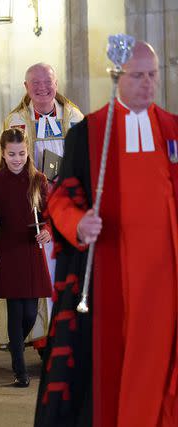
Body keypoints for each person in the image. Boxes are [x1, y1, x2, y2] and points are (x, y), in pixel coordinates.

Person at [35, 41, 178, 426]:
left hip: (167, 282)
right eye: (137, 76)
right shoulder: (89, 133)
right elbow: (62, 195)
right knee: (112, 368)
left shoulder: (173, 129)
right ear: (117, 76)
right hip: (112, 279)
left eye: (153, 75)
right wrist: (79, 223)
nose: (148, 84)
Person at [0, 63, 84, 351]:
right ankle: (38, 337)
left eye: (47, 81)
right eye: (35, 83)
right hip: (33, 208)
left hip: (68, 207)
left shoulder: (74, 117)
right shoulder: (16, 120)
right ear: (26, 87)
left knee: (65, 271)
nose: (42, 87)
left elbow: (86, 160)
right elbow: (6, 166)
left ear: (56, 82)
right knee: (39, 272)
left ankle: (64, 335)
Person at [0, 128, 52, 387]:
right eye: (11, 154)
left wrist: (47, 231)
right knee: (15, 311)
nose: (17, 159)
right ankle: (20, 370)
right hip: (7, 250)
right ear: (3, 153)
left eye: (21, 153)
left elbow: (49, 214)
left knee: (30, 313)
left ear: (28, 151)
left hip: (31, 250)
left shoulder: (39, 179)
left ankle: (16, 344)